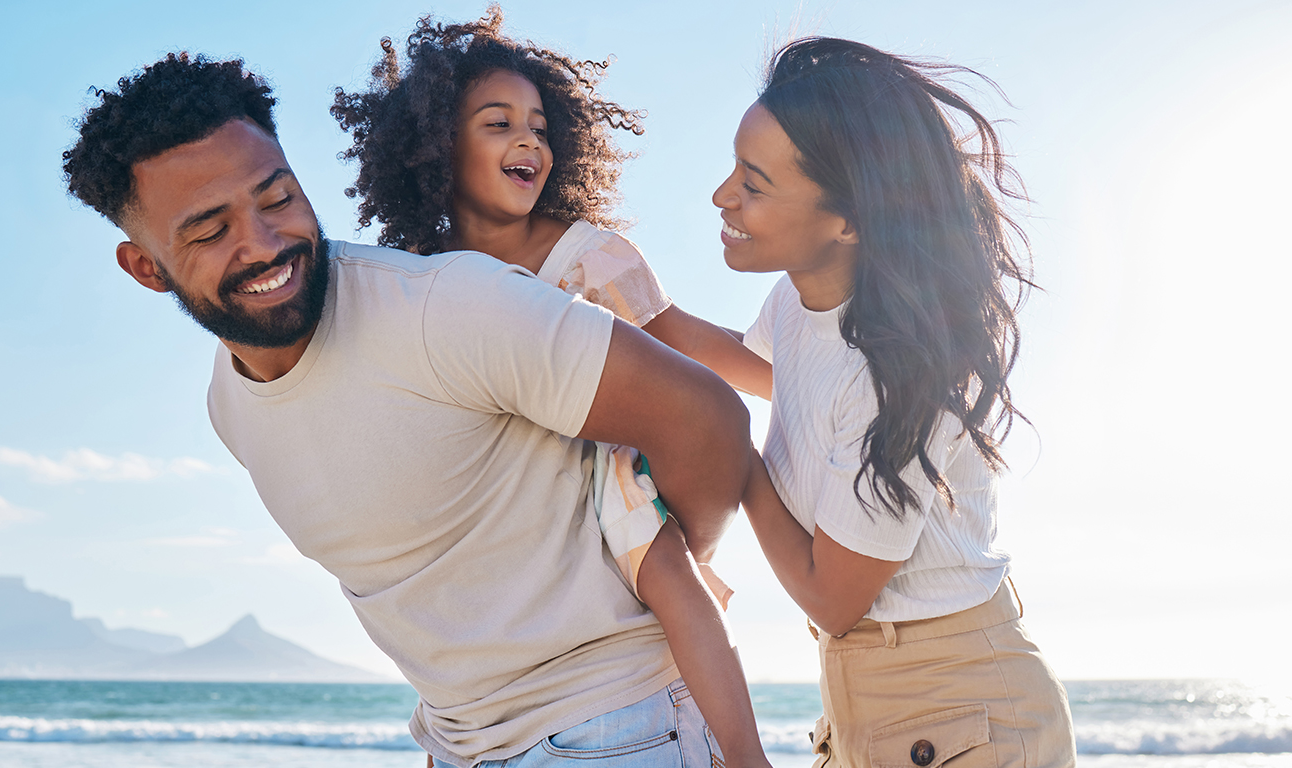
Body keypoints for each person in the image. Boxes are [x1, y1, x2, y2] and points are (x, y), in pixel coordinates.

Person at [61, 52, 752, 768]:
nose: (263, 245)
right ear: (146, 267)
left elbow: (708, 419)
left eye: (277, 199)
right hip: (461, 746)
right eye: (209, 230)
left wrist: (662, 565)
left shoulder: (446, 307)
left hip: (615, 730)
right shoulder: (229, 403)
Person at [331, 10, 772, 767]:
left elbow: (683, 340)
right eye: (498, 123)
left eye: (539, 125)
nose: (527, 140)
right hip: (499, 495)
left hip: (598, 468)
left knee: (669, 577)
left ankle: (746, 755)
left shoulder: (585, 257)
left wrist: (793, 375)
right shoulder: (420, 274)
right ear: (438, 146)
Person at [712, 38, 1077, 766]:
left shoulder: (902, 375)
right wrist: (607, 288)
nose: (723, 195)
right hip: (869, 697)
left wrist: (729, 454)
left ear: (848, 219)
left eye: (754, 184)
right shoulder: (799, 299)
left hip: (958, 709)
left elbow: (832, 598)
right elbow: (761, 374)